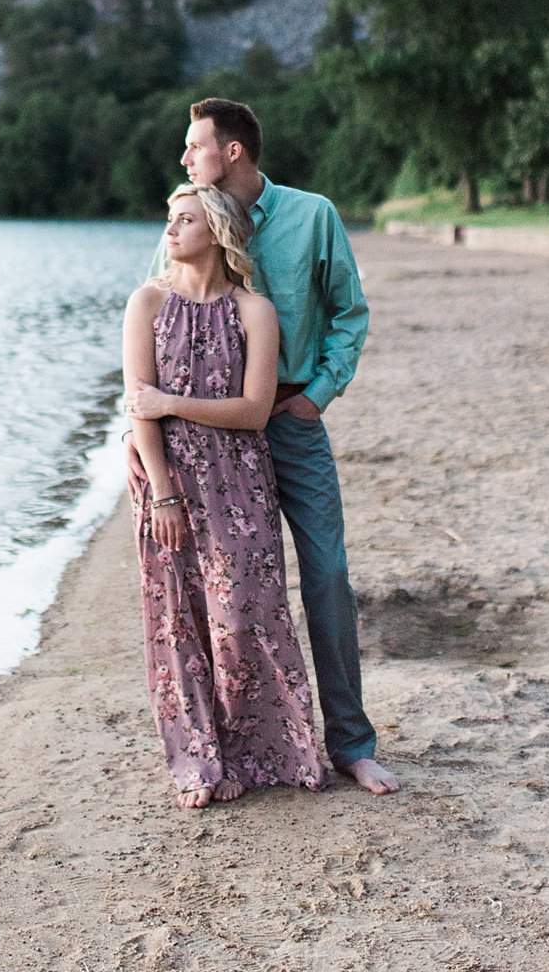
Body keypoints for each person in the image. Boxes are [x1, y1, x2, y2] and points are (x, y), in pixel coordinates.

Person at [127, 97, 400, 797]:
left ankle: (352, 745)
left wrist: (319, 393)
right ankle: (235, 744)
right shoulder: (188, 223)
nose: (186, 158)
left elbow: (349, 312)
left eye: (195, 146)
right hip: (205, 449)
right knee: (224, 596)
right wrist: (146, 439)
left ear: (234, 151)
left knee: (328, 576)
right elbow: (157, 331)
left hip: (288, 420)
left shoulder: (314, 216)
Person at [123, 181, 328, 809]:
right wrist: (162, 496)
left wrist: (172, 402)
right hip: (167, 483)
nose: (170, 230)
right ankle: (201, 763)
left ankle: (268, 751)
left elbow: (254, 411)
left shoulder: (253, 310)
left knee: (245, 616)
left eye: (184, 219)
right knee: (179, 620)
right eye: (168, 219)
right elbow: (139, 411)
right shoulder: (147, 303)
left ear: (216, 231)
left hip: (239, 479)